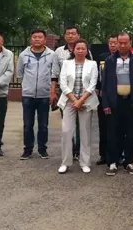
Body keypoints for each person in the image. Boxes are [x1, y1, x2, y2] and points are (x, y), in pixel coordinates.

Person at [102, 32, 133, 176]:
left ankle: (128, 161)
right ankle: (113, 162)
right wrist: (105, 104)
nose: (122, 45)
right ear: (116, 43)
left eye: (125, 43)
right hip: (114, 102)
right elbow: (105, 84)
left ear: (130, 43)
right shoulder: (109, 60)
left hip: (131, 102)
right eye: (120, 43)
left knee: (130, 134)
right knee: (113, 133)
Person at [51, 26, 93, 162]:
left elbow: (91, 78)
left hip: (84, 97)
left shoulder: (88, 55)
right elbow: (55, 74)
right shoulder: (59, 52)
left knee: (83, 128)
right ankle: (69, 154)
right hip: (67, 95)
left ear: (78, 35)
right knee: (67, 128)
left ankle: (79, 153)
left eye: (73, 33)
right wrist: (53, 92)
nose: (70, 36)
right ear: (64, 36)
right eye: (68, 33)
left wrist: (81, 100)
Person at [56, 40, 99, 174]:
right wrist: (75, 101)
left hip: (86, 102)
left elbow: (92, 85)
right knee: (66, 131)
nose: (80, 51)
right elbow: (63, 84)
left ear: (87, 51)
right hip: (69, 101)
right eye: (78, 48)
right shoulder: (66, 63)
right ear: (73, 50)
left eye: (83, 49)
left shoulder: (92, 64)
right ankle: (65, 162)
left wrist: (81, 101)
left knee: (85, 132)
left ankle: (85, 162)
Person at [16, 29, 56, 160]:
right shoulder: (24, 55)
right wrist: (27, 86)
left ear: (45, 40)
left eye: (40, 37)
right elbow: (19, 73)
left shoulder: (52, 55)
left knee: (43, 125)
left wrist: (52, 92)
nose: (37, 39)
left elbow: (54, 74)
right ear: (31, 39)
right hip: (28, 95)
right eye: (34, 37)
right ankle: (27, 150)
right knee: (28, 124)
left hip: (44, 95)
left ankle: (42, 149)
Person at [95, 37, 119, 166]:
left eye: (115, 43)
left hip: (118, 96)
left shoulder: (124, 58)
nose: (113, 45)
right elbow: (96, 75)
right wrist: (98, 89)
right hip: (103, 96)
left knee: (117, 127)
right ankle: (103, 155)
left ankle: (118, 155)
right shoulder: (102, 57)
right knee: (103, 126)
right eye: (111, 43)